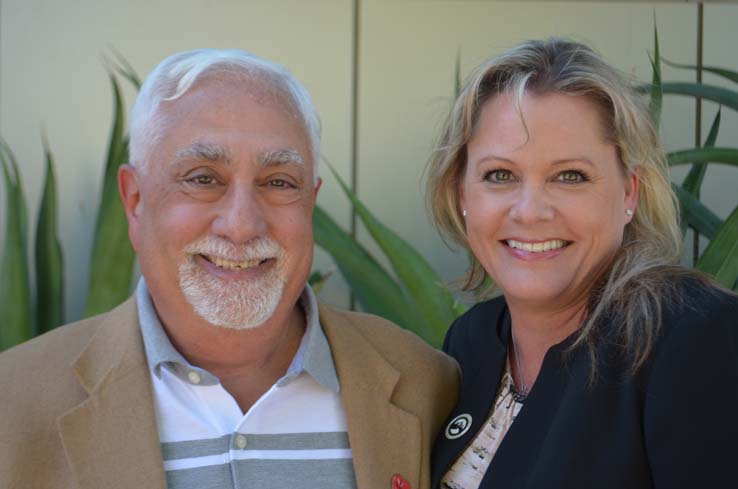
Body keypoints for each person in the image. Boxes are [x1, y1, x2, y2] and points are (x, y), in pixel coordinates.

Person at [0, 48, 459, 489]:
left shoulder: (425, 384)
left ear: (311, 202)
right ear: (135, 201)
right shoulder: (13, 402)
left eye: (279, 182)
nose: (241, 225)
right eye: (202, 178)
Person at [425, 38, 738, 489]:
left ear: (629, 192)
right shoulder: (470, 341)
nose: (530, 210)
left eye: (570, 176)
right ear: (462, 194)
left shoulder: (694, 335)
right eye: (500, 175)